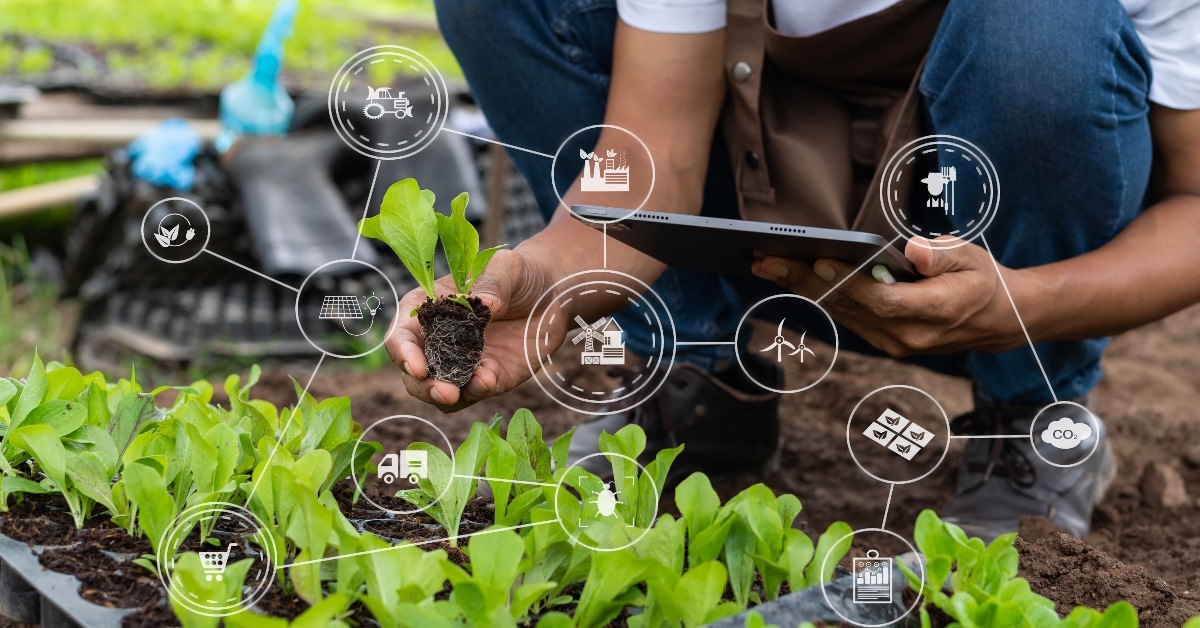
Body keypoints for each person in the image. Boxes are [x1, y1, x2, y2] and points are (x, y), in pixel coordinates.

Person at [386, 0, 1200, 540]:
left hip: (1006, 271)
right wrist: (544, 276)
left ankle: (1028, 412)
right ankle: (699, 371)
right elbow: (651, 153)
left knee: (1037, 35)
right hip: (775, 237)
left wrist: (1027, 305)